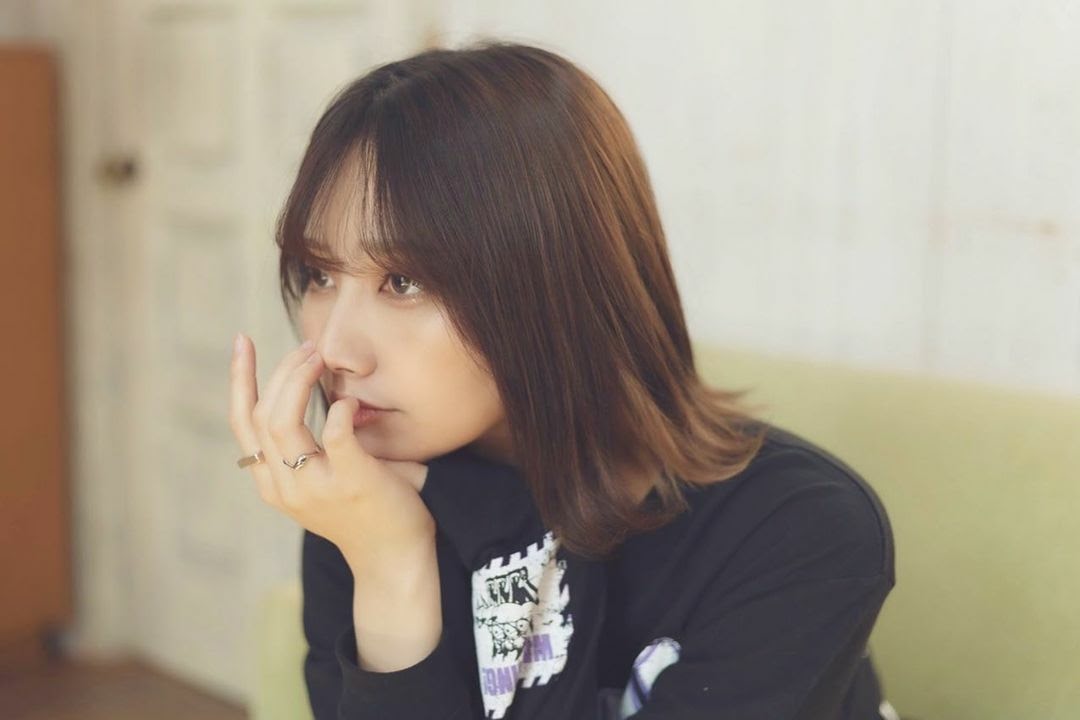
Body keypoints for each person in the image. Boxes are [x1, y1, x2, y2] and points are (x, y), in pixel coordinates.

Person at [228, 40, 899, 720]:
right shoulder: (366, 506)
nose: (334, 349)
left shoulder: (795, 530)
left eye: (403, 281)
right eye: (319, 274)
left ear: (559, 280)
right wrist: (390, 567)